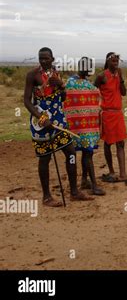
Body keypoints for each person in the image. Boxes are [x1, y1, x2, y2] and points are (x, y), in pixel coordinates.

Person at [23, 47, 93, 207]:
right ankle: (47, 197)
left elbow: (63, 97)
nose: (43, 61)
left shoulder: (56, 73)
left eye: (46, 58)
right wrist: (41, 117)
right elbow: (26, 101)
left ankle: (74, 191)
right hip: (41, 121)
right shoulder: (32, 75)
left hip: (59, 120)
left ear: (52, 59)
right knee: (45, 158)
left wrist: (61, 85)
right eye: (41, 58)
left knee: (71, 153)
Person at [95, 52, 127, 185]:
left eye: (117, 61)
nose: (115, 64)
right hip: (107, 113)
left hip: (118, 113)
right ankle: (111, 171)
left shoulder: (118, 75)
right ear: (107, 62)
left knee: (121, 143)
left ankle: (122, 174)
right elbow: (93, 90)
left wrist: (121, 78)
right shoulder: (102, 76)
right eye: (113, 61)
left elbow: (124, 92)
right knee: (108, 143)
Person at [64, 57, 105, 196]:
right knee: (88, 154)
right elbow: (98, 100)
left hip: (75, 126)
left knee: (86, 153)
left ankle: (83, 180)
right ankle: (94, 186)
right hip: (86, 126)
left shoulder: (69, 82)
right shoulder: (88, 86)